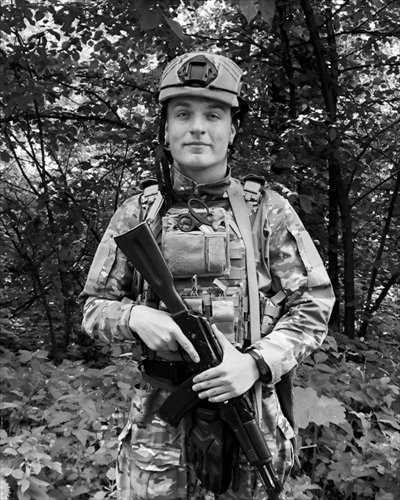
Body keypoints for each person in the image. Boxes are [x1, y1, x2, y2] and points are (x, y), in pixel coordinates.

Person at [80, 51, 335, 500]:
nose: (197, 127)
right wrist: (134, 316)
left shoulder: (267, 212)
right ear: (165, 129)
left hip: (249, 415)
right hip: (159, 430)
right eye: (183, 114)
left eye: (213, 115)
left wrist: (255, 363)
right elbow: (93, 309)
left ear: (232, 129)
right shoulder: (138, 214)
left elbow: (314, 305)